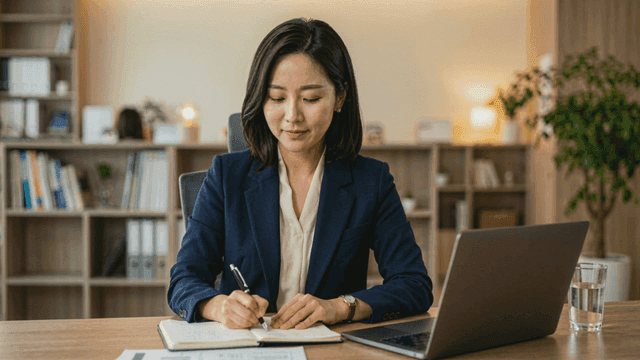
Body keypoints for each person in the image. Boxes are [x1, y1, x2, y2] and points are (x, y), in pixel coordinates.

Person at [168, 18, 433, 331]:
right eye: (277, 98)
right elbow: (184, 279)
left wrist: (340, 307)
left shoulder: (370, 181)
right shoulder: (227, 175)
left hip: (332, 348)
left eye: (311, 98)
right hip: (248, 347)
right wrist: (219, 306)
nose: (292, 116)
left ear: (340, 98)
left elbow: (414, 284)